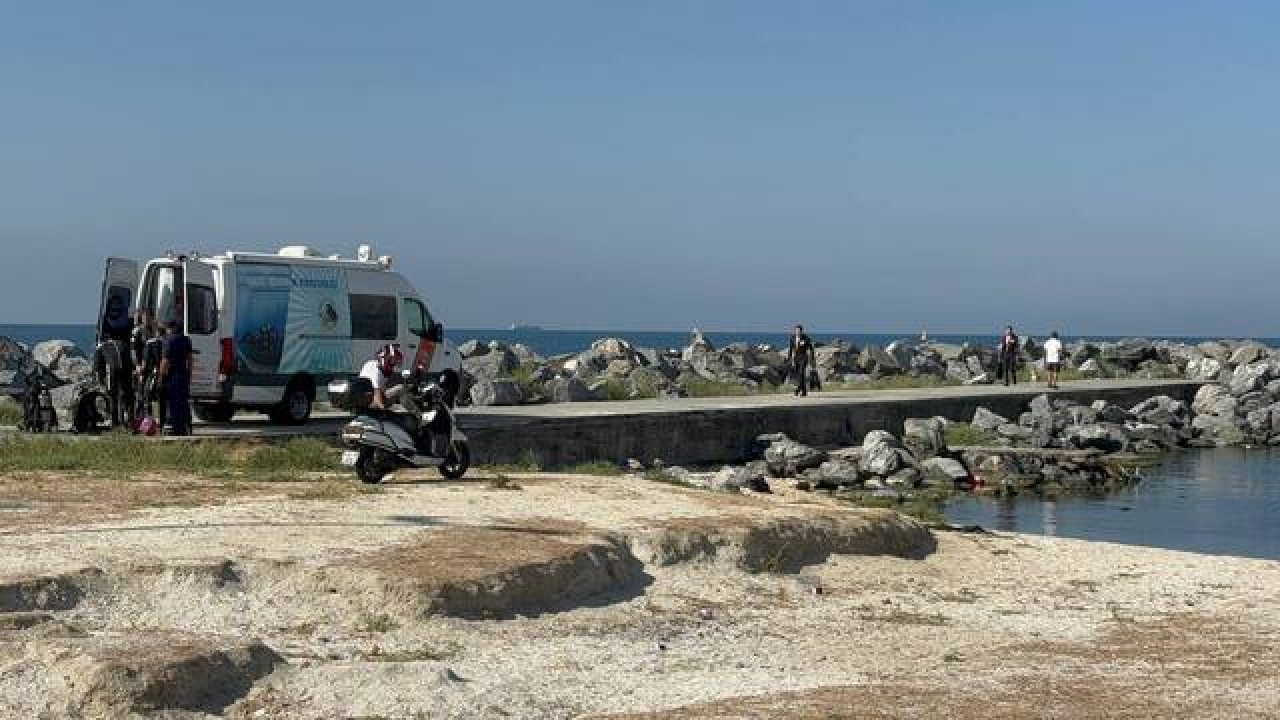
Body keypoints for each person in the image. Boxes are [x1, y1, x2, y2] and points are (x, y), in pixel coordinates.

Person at [159, 320, 193, 435]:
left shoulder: (168, 340)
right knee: (183, 402)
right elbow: (190, 359)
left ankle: (177, 429)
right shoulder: (186, 340)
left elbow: (165, 360)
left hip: (172, 375)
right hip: (183, 373)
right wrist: (189, 374)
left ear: (171, 328)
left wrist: (161, 375)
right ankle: (186, 427)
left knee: (173, 403)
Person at [359, 343, 405, 411]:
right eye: (392, 363)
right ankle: (419, 415)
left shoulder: (370, 363)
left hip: (365, 399)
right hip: (369, 402)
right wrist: (383, 410)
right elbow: (376, 393)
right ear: (386, 359)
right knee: (401, 388)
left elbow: (381, 390)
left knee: (396, 386)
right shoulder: (376, 371)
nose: (393, 366)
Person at [786, 325, 817, 397]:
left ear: (801, 331)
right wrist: (789, 359)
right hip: (796, 358)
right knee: (799, 375)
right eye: (796, 330)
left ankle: (798, 389)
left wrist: (812, 359)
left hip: (803, 358)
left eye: (799, 331)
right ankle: (804, 391)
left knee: (801, 373)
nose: (797, 332)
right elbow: (791, 349)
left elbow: (811, 349)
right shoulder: (792, 338)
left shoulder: (806, 338)